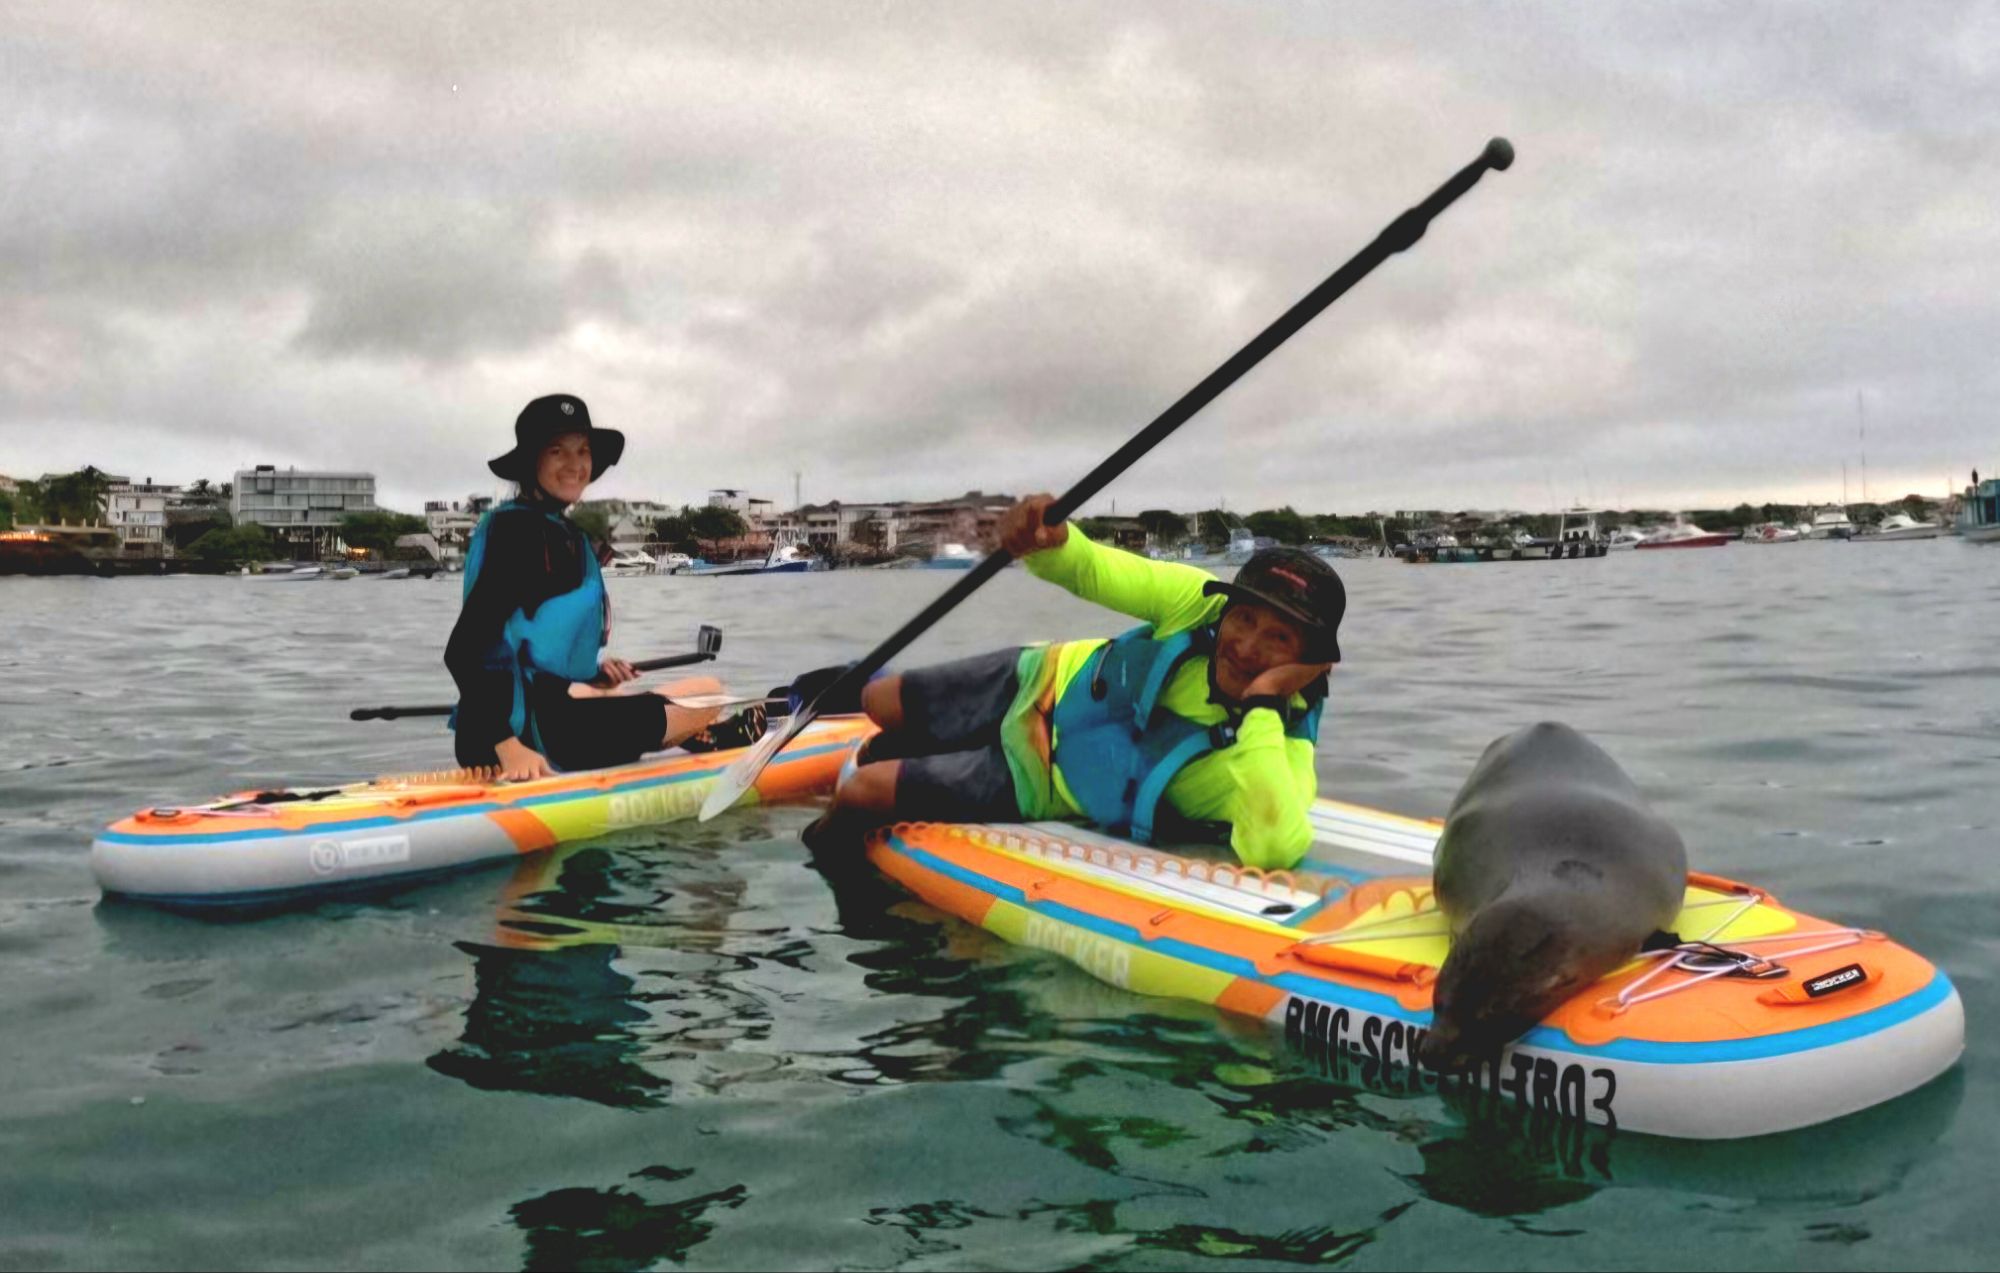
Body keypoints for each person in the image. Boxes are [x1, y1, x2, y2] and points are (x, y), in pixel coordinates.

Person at [802, 494, 1344, 868]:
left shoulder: (1283, 749)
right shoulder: (1195, 602)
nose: (1246, 647)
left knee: (862, 790)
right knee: (877, 700)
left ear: (1312, 662)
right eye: (1244, 619)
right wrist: (1052, 540)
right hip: (1039, 680)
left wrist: (1263, 703)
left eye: (1278, 639)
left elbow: (1275, 845)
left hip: (1041, 777)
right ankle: (839, 704)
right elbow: (1096, 570)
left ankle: (816, 860)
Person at [446, 393, 761, 780]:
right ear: (532, 460)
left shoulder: (536, 525)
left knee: (602, 692)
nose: (574, 465)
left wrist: (591, 672)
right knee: (708, 692)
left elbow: (528, 654)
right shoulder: (522, 533)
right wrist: (507, 747)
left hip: (514, 725)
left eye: (583, 452)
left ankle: (687, 734)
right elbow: (467, 648)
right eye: (557, 451)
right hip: (529, 741)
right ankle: (701, 733)